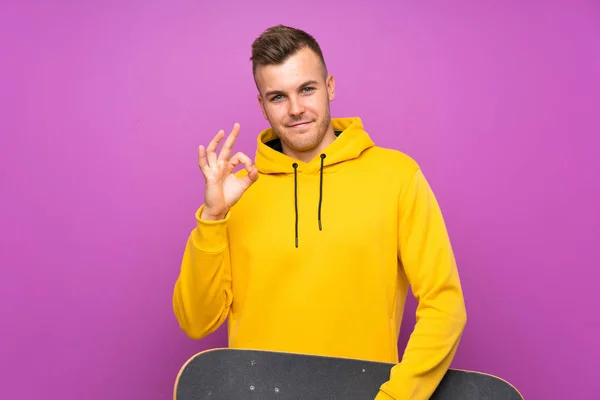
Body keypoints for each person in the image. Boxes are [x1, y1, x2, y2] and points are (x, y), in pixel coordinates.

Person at [173, 24, 467, 400]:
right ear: (262, 105)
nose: (296, 109)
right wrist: (213, 217)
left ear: (329, 86)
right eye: (278, 96)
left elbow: (445, 306)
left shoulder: (396, 176)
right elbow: (197, 321)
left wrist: (398, 397)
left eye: (306, 89)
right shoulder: (236, 194)